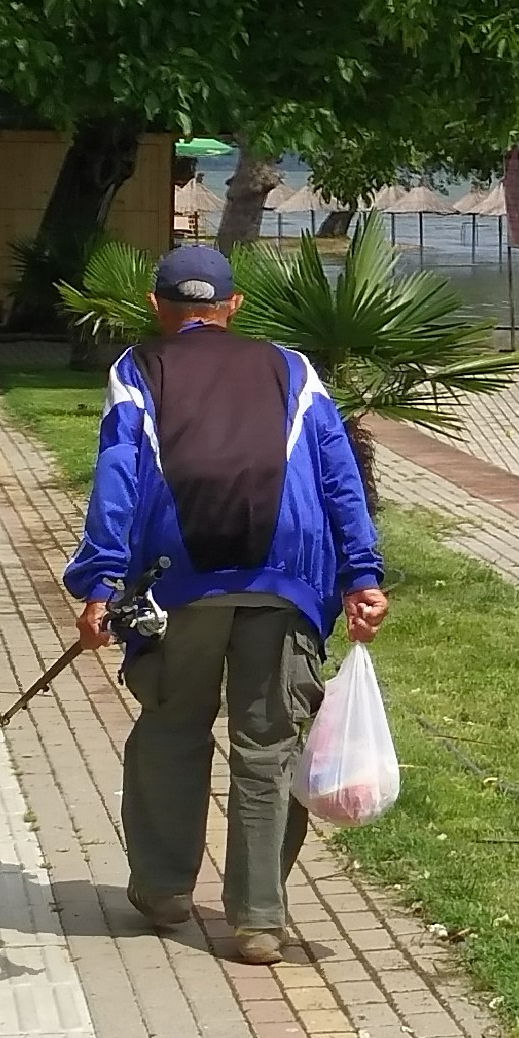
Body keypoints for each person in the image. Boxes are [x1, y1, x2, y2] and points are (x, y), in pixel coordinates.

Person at [67, 243, 386, 965]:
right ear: (233, 307)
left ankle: (164, 889)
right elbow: (338, 477)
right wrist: (361, 575)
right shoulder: (293, 369)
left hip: (176, 581)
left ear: (156, 305)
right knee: (270, 745)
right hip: (285, 581)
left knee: (171, 728)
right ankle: (258, 921)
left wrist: (98, 583)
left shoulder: (136, 369)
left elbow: (119, 476)